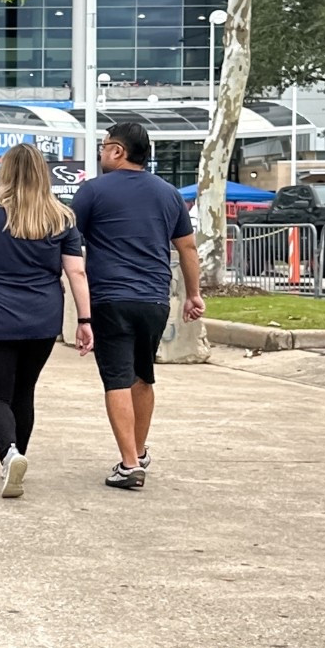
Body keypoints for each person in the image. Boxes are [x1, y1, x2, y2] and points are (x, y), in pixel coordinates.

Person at [0, 143, 93, 497]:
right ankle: (17, 456)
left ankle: (8, 455)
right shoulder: (60, 216)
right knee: (24, 392)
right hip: (41, 317)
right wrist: (85, 319)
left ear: (5, 171)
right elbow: (77, 272)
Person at [72, 118, 206, 490]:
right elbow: (187, 248)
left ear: (118, 151)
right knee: (142, 375)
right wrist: (193, 295)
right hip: (154, 299)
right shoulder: (169, 194)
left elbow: (68, 243)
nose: (101, 152)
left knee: (116, 377)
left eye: (103, 146)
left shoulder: (92, 192)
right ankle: (139, 449)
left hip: (110, 298)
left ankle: (130, 465)